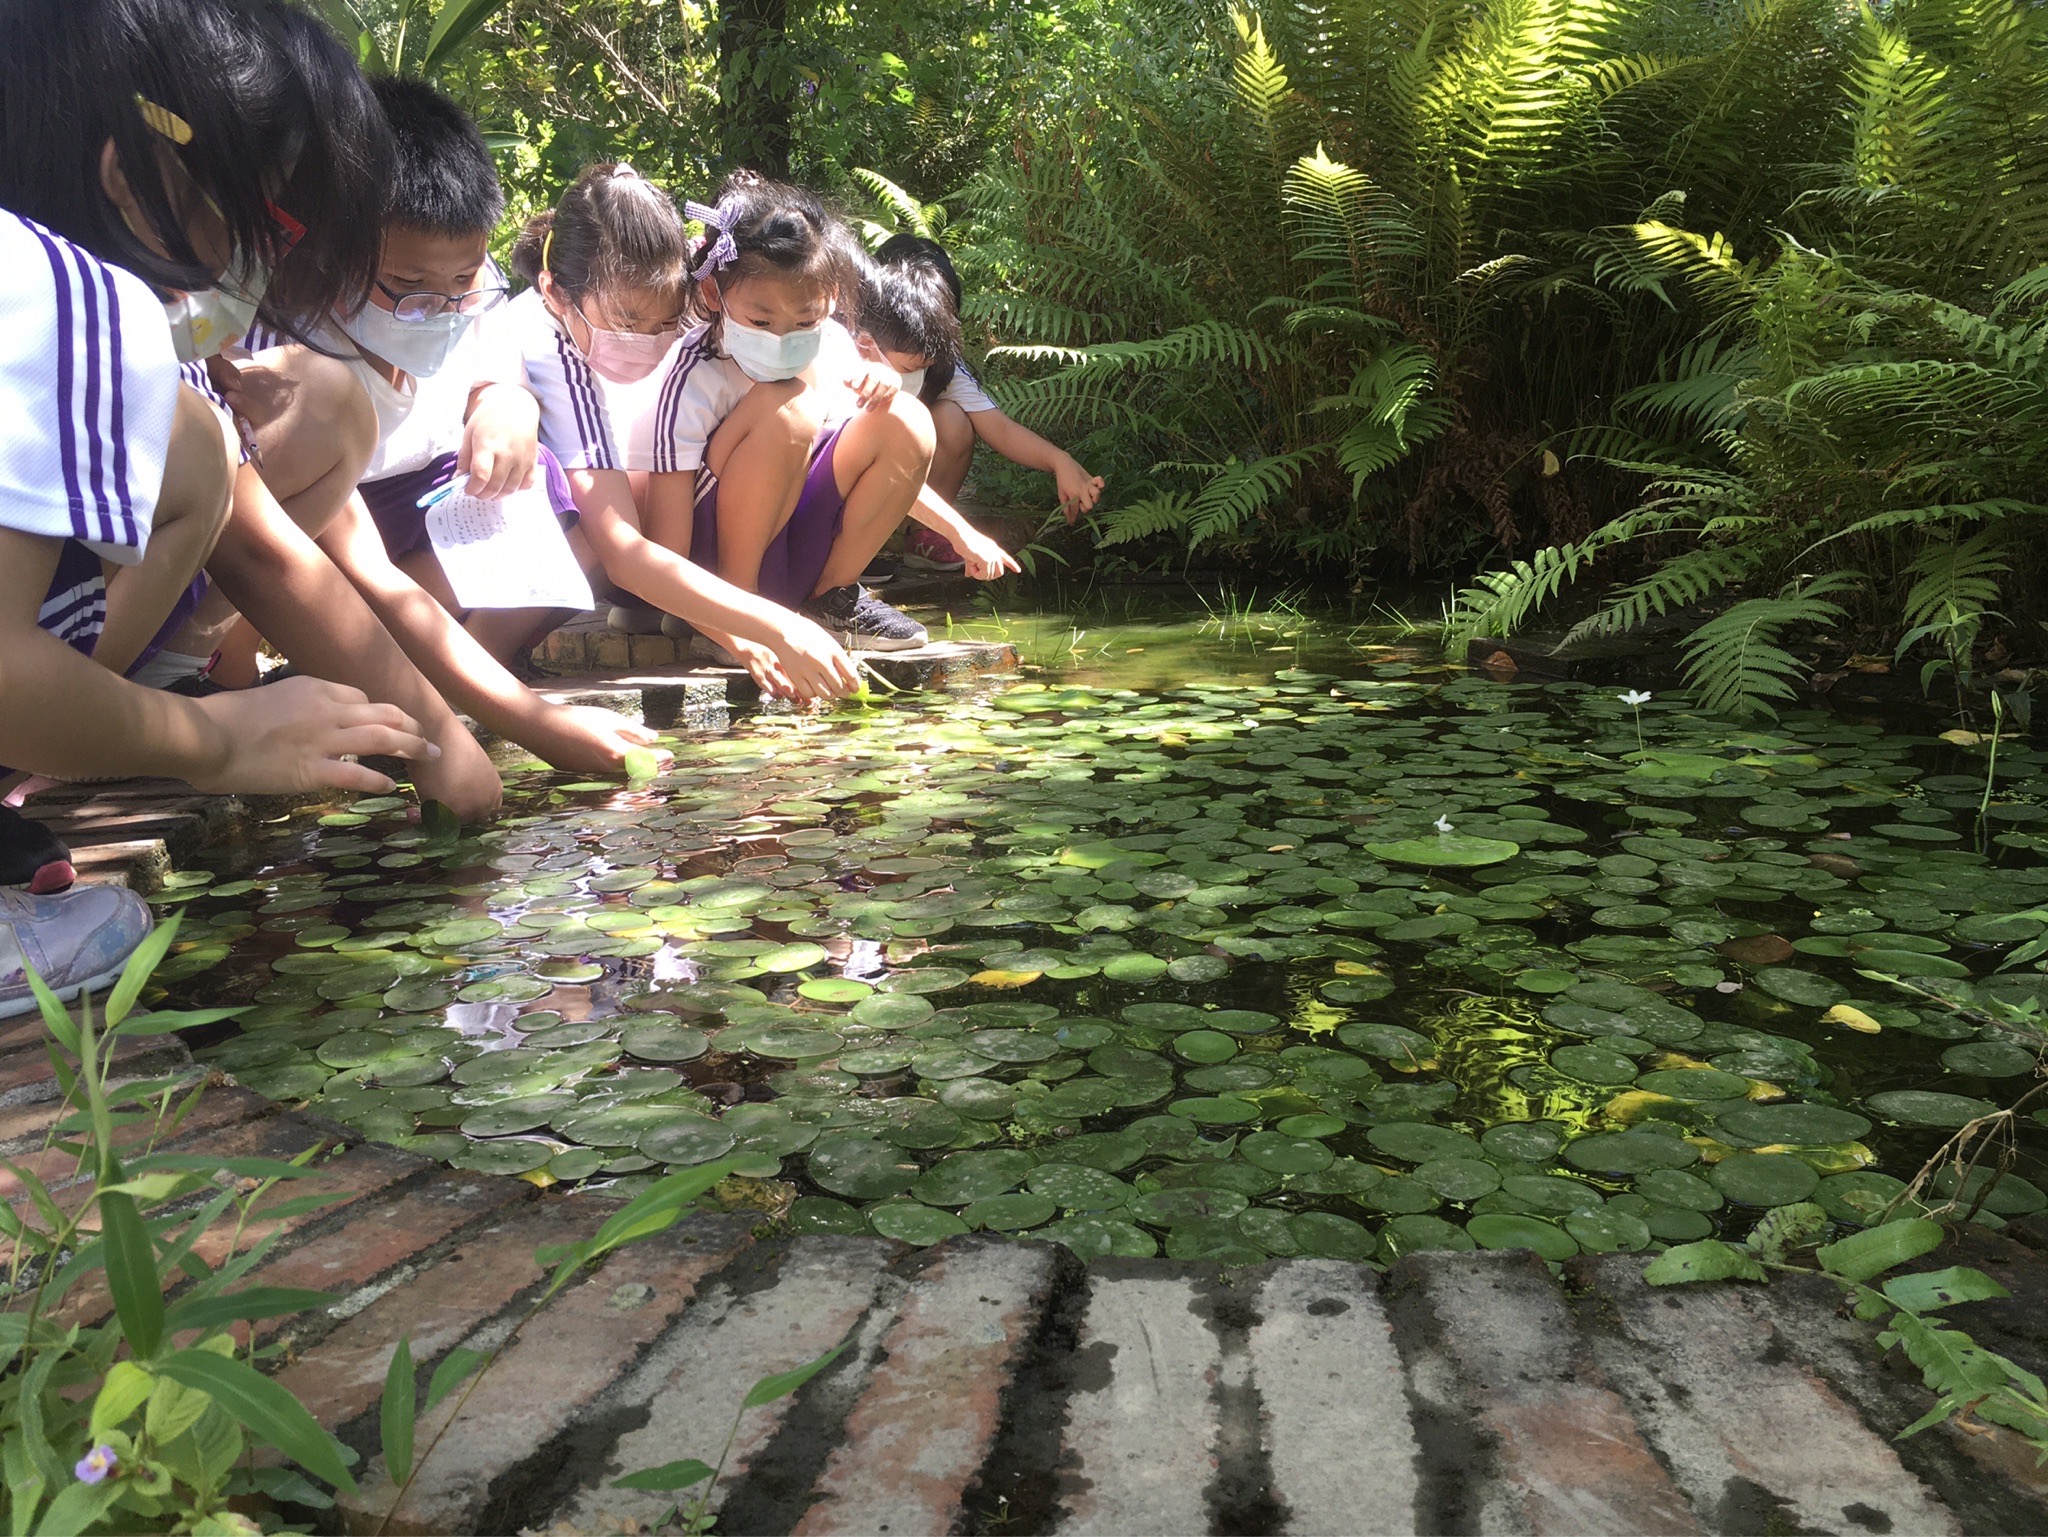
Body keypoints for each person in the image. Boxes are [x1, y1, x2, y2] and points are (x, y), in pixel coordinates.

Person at [0, 0, 441, 1017]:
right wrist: (226, 741)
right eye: (274, 223)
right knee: (194, 453)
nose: (266, 263)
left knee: (195, 453)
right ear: (133, 174)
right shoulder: (72, 294)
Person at [194, 78, 669, 773]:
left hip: (386, 543)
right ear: (320, 253)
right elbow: (369, 582)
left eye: (464, 280)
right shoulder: (287, 374)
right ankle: (223, 672)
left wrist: (506, 400)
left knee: (544, 487)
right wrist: (526, 726)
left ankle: (394, 679)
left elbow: (491, 349)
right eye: (410, 286)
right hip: (283, 570)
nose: (443, 307)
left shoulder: (466, 315)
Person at [502, 163, 865, 693]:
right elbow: (622, 550)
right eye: (628, 323)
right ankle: (487, 656)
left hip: (609, 548)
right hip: (503, 549)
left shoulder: (644, 315)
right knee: (590, 533)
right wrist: (764, 628)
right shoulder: (545, 346)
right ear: (556, 294)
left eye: (666, 322)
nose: (651, 340)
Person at [633, 172, 938, 651]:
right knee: (789, 403)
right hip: (718, 580)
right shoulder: (691, 377)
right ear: (713, 295)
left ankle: (830, 599)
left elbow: (873, 453)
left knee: (906, 416)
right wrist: (715, 619)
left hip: (794, 552)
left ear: (832, 298)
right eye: (760, 321)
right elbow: (665, 546)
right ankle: (741, 611)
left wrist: (882, 390)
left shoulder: (833, 346)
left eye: (804, 321)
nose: (783, 337)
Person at [870, 233, 1103, 571]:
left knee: (953, 420)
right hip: (854, 479)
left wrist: (1059, 461)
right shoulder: (841, 356)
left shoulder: (940, 364)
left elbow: (999, 428)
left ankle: (925, 536)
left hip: (900, 484)